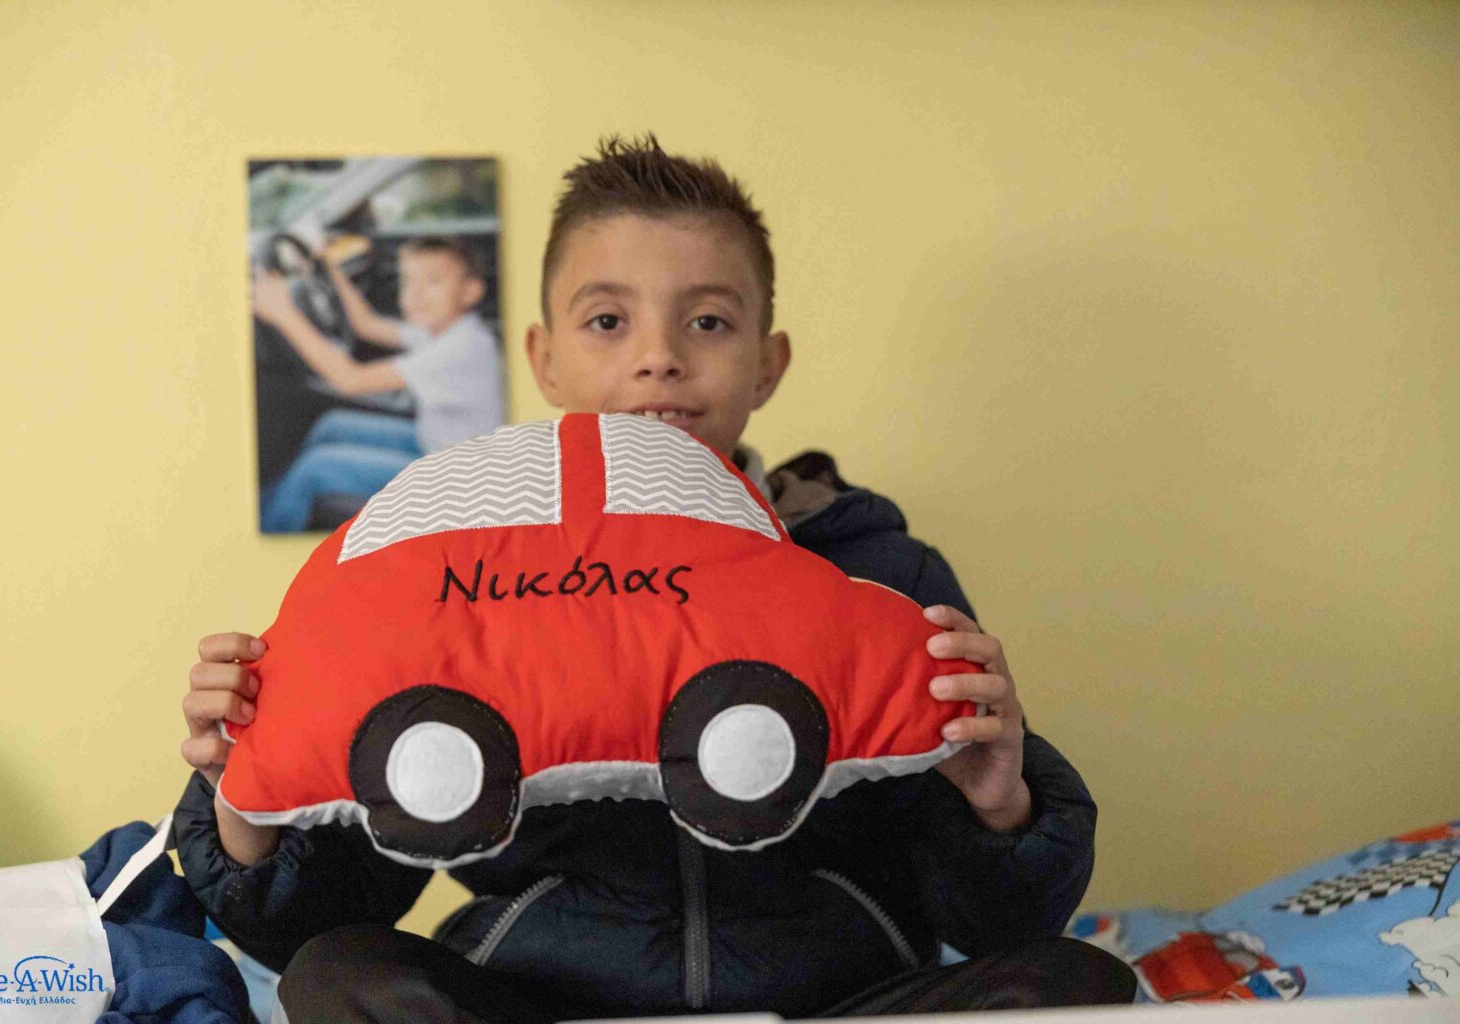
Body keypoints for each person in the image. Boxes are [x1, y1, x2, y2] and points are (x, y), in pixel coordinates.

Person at [177, 134, 1136, 1021]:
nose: (659, 359)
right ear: (545, 361)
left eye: (708, 321)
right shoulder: (448, 571)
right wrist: (244, 806)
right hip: (547, 1002)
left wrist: (1000, 801)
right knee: (335, 973)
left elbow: (999, 921)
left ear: (767, 365)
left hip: (838, 1000)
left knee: (1078, 985)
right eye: (607, 320)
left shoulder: (881, 571)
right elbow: (330, 907)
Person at [254, 237, 506, 533]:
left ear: (471, 291)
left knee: (314, 470)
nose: (415, 294)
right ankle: (274, 499)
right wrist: (331, 269)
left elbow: (351, 380)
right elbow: (367, 324)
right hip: (439, 443)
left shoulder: (462, 348)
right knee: (333, 425)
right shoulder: (444, 330)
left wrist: (284, 314)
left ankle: (266, 527)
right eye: (408, 281)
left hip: (458, 483)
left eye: (433, 282)